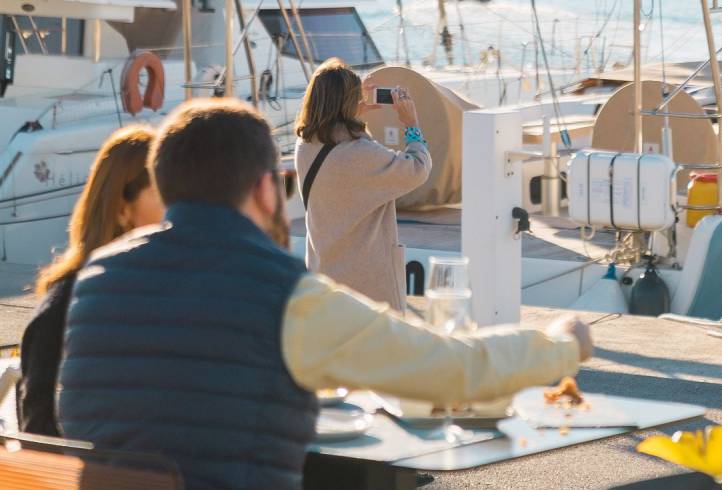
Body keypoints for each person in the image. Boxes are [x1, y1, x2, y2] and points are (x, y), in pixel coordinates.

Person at [57, 99, 592, 490]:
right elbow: (453, 371)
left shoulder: (97, 281)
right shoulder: (283, 295)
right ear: (268, 189)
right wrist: (561, 345)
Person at [18, 125, 163, 436]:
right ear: (123, 207)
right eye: (162, 193)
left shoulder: (158, 288)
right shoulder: (65, 306)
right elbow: (40, 429)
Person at [295, 58, 431, 310]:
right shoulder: (359, 153)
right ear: (350, 102)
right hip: (367, 289)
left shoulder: (304, 146)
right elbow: (417, 168)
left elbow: (347, 154)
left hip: (323, 279)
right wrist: (412, 124)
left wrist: (351, 117)